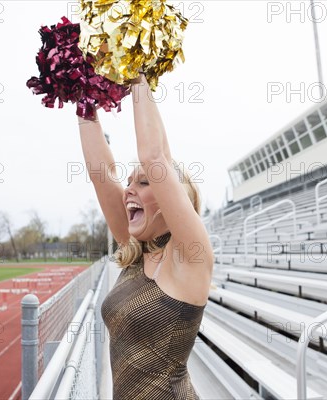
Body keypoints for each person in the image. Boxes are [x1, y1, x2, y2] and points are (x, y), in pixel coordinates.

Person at [77, 73, 213, 399]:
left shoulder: (190, 256)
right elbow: (100, 174)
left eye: (144, 182)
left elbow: (155, 157)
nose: (128, 191)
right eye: (130, 182)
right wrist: (83, 97)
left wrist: (135, 70)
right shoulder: (137, 249)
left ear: (172, 198)